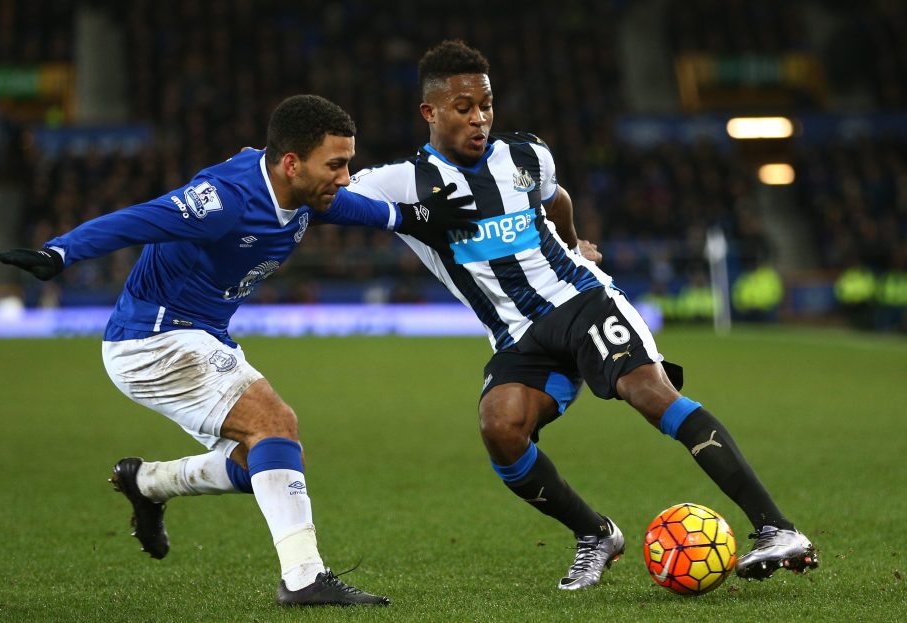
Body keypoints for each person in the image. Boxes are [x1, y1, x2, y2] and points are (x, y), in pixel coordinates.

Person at [344, 40, 818, 589]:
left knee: (650, 393)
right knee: (500, 428)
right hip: (518, 336)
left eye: (487, 105)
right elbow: (330, 195)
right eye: (464, 107)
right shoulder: (402, 181)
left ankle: (777, 529)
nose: (480, 119)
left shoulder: (524, 157)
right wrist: (405, 214)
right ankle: (596, 533)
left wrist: (574, 247)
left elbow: (557, 197)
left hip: (581, 301)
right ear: (429, 112)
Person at [0, 94, 476, 607]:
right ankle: (304, 578)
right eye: (336, 164)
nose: (347, 176)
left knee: (264, 461)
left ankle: (150, 482)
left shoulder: (301, 192)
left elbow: (345, 206)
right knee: (275, 422)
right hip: (153, 339)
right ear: (291, 164)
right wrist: (59, 252)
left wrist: (408, 217)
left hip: (200, 335)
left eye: (348, 163)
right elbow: (137, 219)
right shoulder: (224, 201)